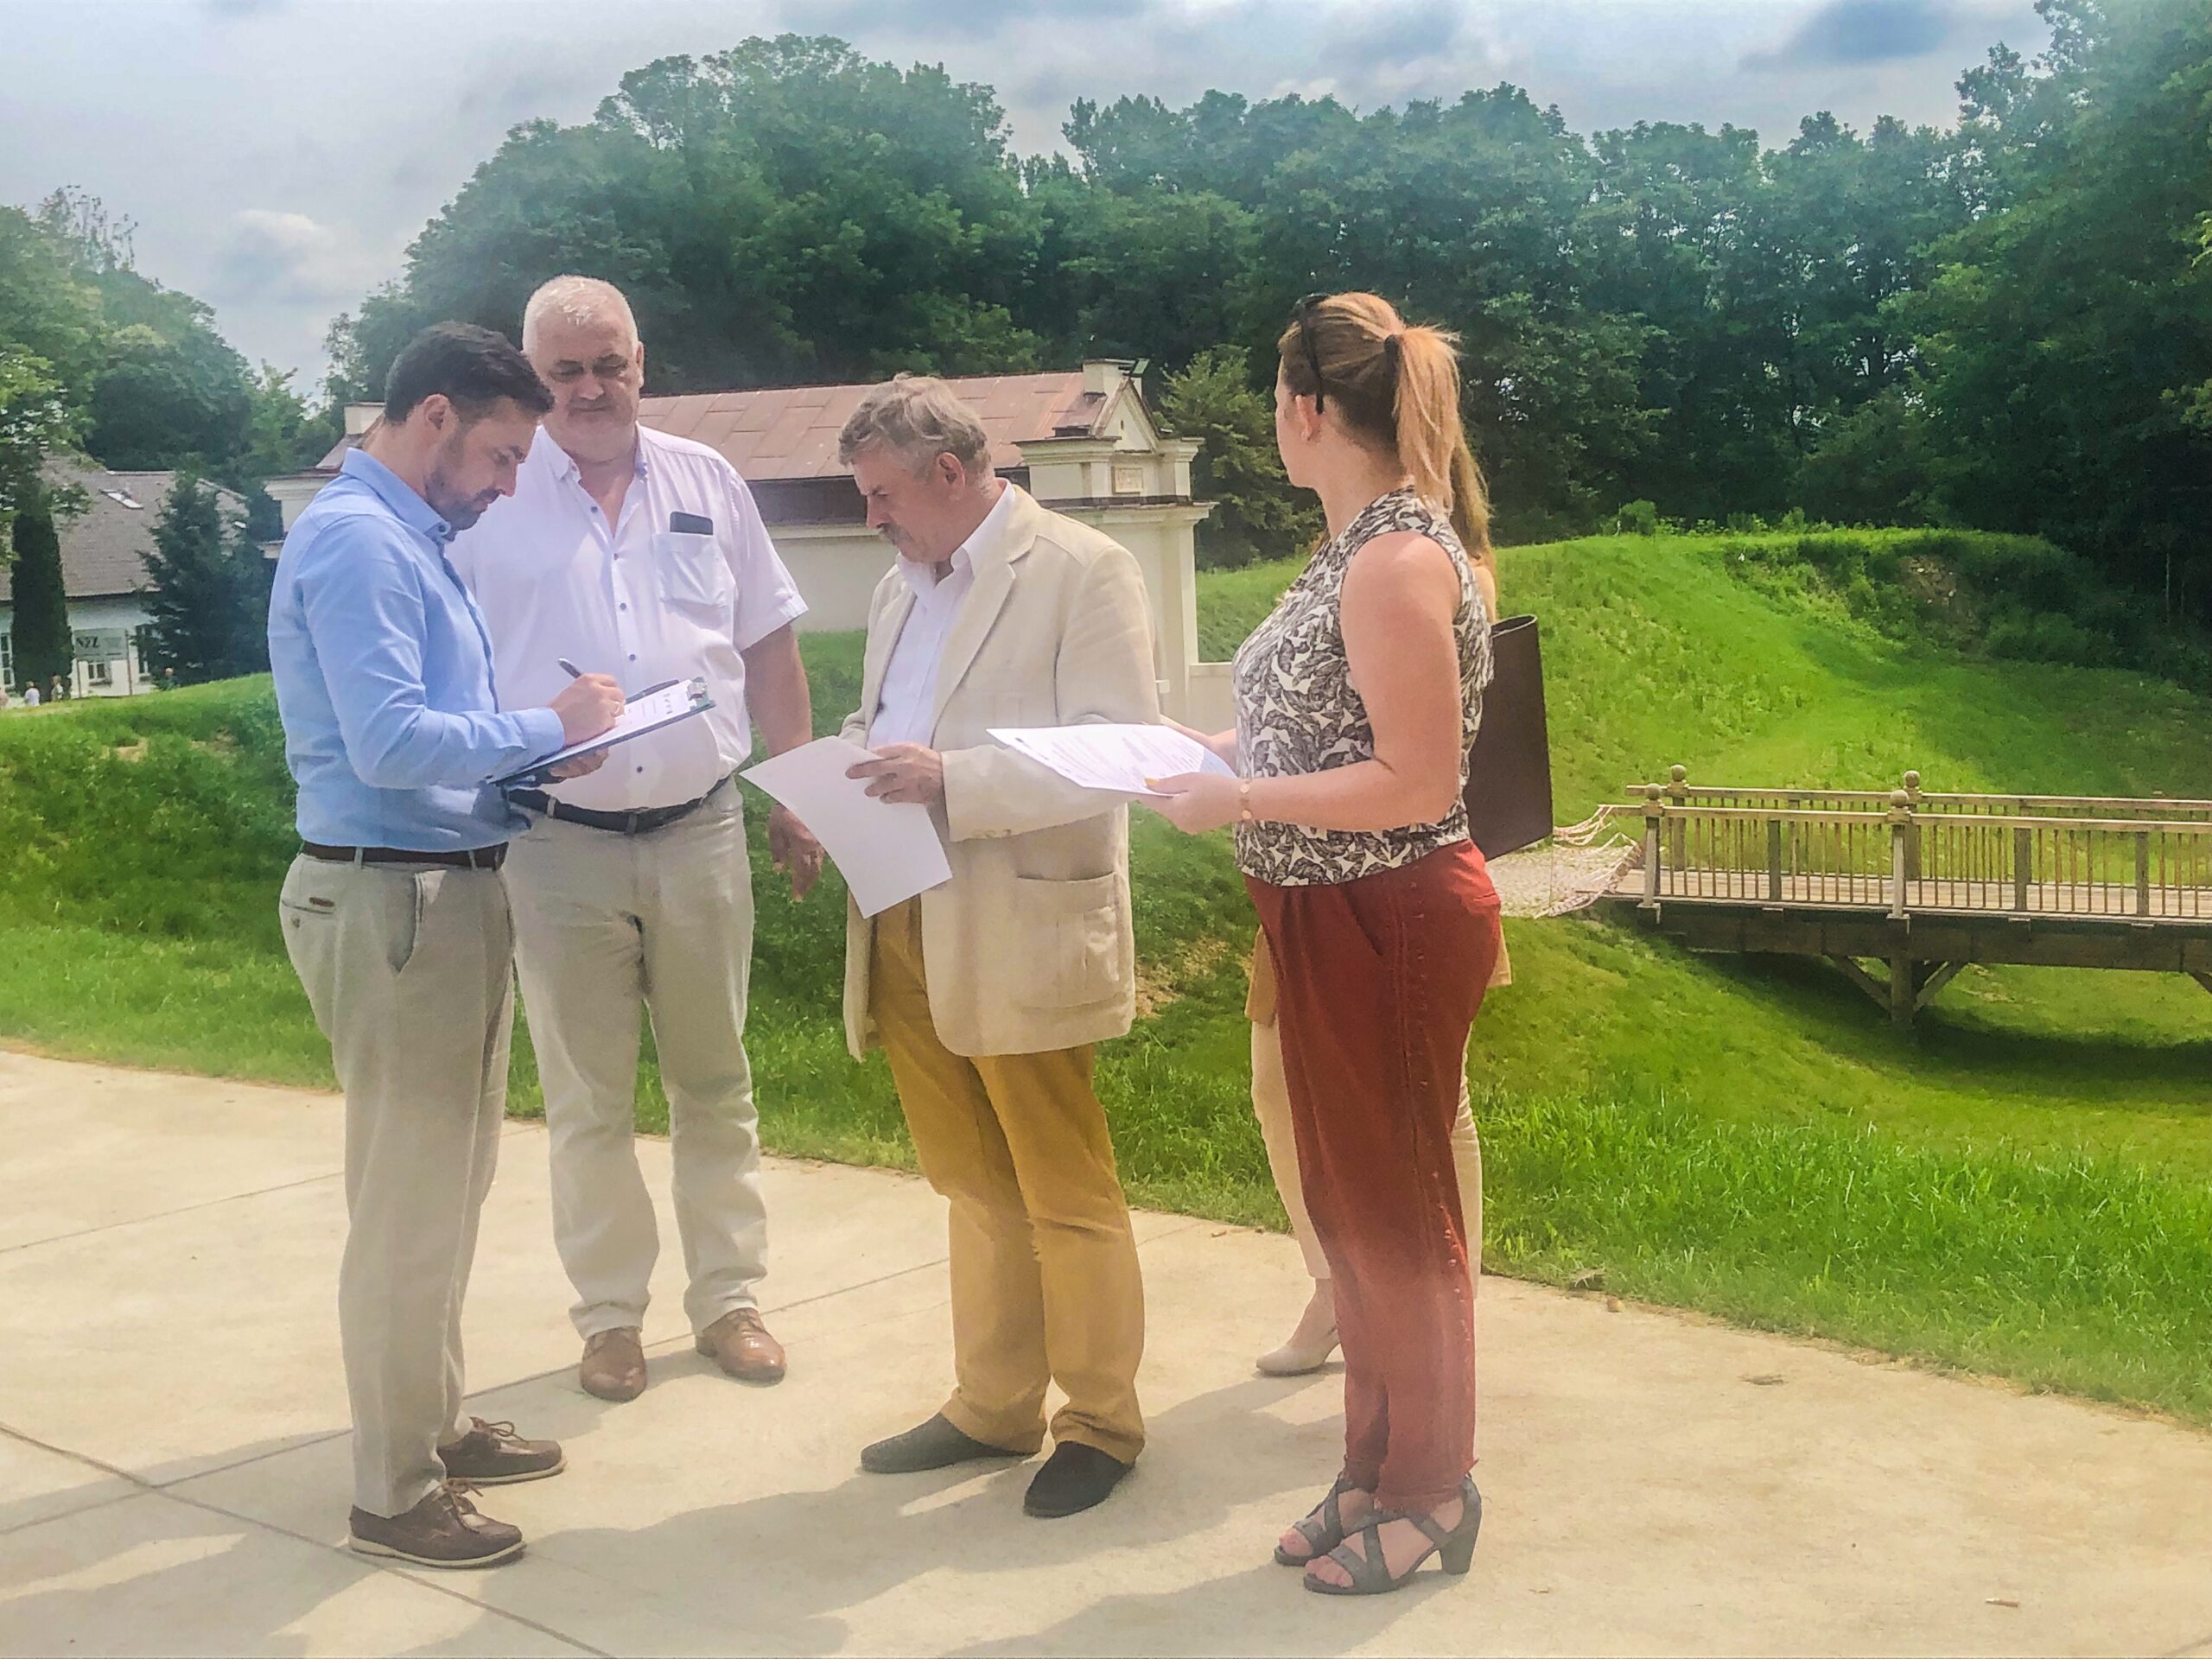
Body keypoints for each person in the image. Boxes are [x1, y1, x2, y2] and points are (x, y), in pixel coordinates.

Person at [1149, 292, 1503, 1595]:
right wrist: (1202, 754)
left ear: (1306, 410)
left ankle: (1433, 1491)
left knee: (1399, 1218)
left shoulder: (1395, 559)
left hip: (1388, 914)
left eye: (1269, 401)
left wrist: (1238, 798)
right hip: (1321, 912)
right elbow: (1323, 727)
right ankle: (1372, 1470)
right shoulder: (1348, 547)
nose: (1269, 421)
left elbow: (1416, 779)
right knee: (1350, 1212)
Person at [267, 321, 626, 1569]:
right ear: (434, 416)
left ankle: (432, 1426)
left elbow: (430, 741)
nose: (509, 483)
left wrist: (519, 768)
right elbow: (387, 744)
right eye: (502, 454)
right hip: (393, 899)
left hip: (435, 888)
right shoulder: (360, 543)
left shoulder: (407, 538)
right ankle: (393, 1492)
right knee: (408, 1210)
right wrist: (547, 724)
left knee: (447, 1194)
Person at [450, 276, 817, 1402]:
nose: (589, 388)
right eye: (564, 371)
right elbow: (451, 665)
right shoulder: (494, 497)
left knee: (716, 1080)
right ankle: (610, 1318)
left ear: (641, 363)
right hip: (556, 844)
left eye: (608, 364)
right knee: (587, 1098)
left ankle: (730, 1300)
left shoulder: (707, 480)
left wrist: (796, 791)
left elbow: (769, 647)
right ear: (533, 378)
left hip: (700, 828)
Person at [836, 374, 1156, 1520]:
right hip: (903, 909)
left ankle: (1102, 1421)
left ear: (950, 473)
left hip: (1020, 916)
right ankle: (992, 1404)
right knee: (972, 1181)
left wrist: (952, 780)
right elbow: (885, 725)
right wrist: (837, 775)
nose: (870, 516)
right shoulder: (898, 588)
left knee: (1062, 1181)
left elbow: (1121, 750)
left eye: (882, 494)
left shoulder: (1082, 568)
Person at [1239, 550, 1505, 1377]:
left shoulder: (1436, 565)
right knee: (1278, 1089)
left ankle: (1444, 1311)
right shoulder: (1336, 561)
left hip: (1399, 876)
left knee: (1434, 1107)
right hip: (1302, 877)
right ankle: (1335, 1286)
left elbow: (1418, 752)